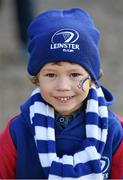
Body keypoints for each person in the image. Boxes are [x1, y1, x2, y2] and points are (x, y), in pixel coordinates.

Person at [0, 8, 123, 179]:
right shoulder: (18, 130)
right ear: (37, 79)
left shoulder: (113, 130)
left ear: (93, 78)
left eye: (75, 74)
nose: (63, 86)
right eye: (51, 74)